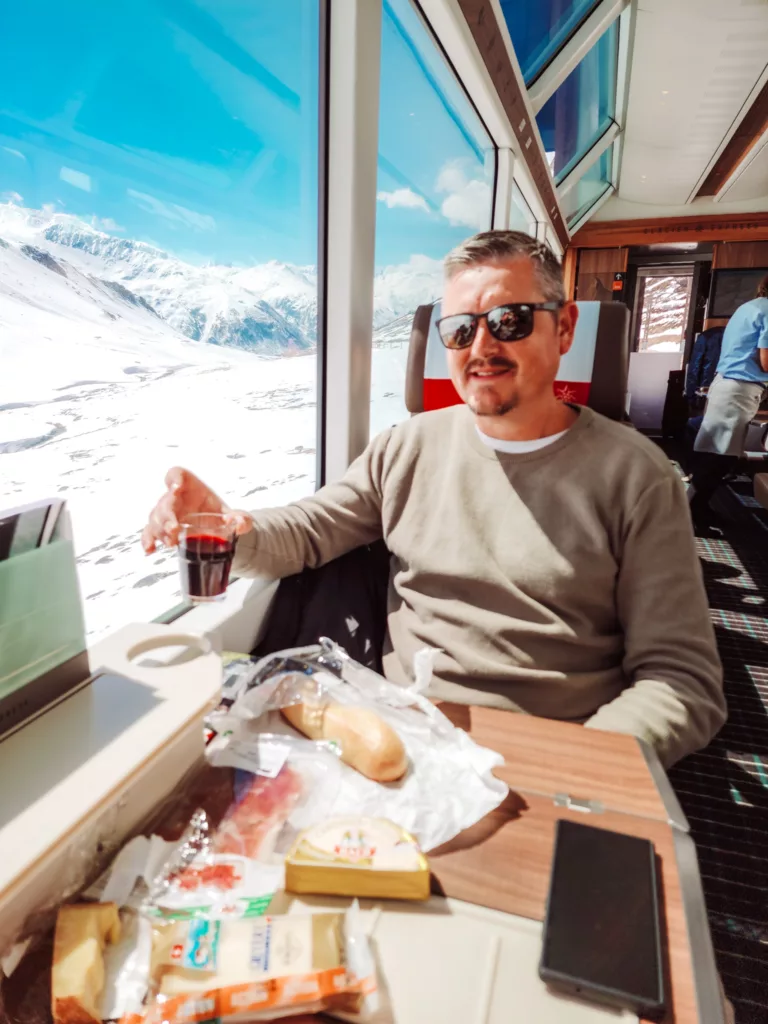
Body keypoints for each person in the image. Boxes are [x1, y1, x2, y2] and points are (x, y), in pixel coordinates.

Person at [143, 231, 726, 769]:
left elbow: (681, 679)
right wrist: (226, 527)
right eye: (460, 329)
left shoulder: (634, 476)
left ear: (565, 328)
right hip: (399, 737)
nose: (482, 346)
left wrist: (576, 766)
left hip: (555, 748)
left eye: (510, 320)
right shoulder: (407, 447)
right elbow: (310, 530)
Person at [690, 274, 768, 523]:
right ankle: (693, 515)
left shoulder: (748, 307)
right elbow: (766, 362)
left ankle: (695, 510)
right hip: (740, 388)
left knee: (712, 455)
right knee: (719, 458)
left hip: (726, 384)